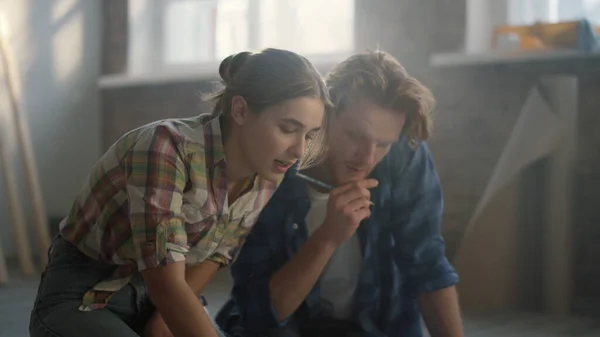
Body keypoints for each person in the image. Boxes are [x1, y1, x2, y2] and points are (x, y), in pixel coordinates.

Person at [29, 48, 332, 337]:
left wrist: (162, 319)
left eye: (309, 135)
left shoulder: (269, 169)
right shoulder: (166, 147)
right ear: (240, 110)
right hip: (85, 291)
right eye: (288, 128)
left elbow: (215, 255)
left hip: (156, 297)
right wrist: (168, 306)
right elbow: (166, 284)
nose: (299, 150)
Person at [215, 50, 464, 337]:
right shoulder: (272, 163)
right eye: (356, 136)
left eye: (383, 144)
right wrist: (328, 237)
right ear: (324, 114)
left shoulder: (405, 156)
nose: (367, 158)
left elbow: (428, 264)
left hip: (379, 326)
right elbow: (261, 314)